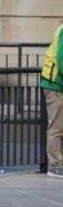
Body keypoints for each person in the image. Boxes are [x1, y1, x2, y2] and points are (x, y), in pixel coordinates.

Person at [43, 24, 63, 178]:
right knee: (56, 127)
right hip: (56, 85)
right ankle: (55, 166)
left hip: (57, 84)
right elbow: (61, 59)